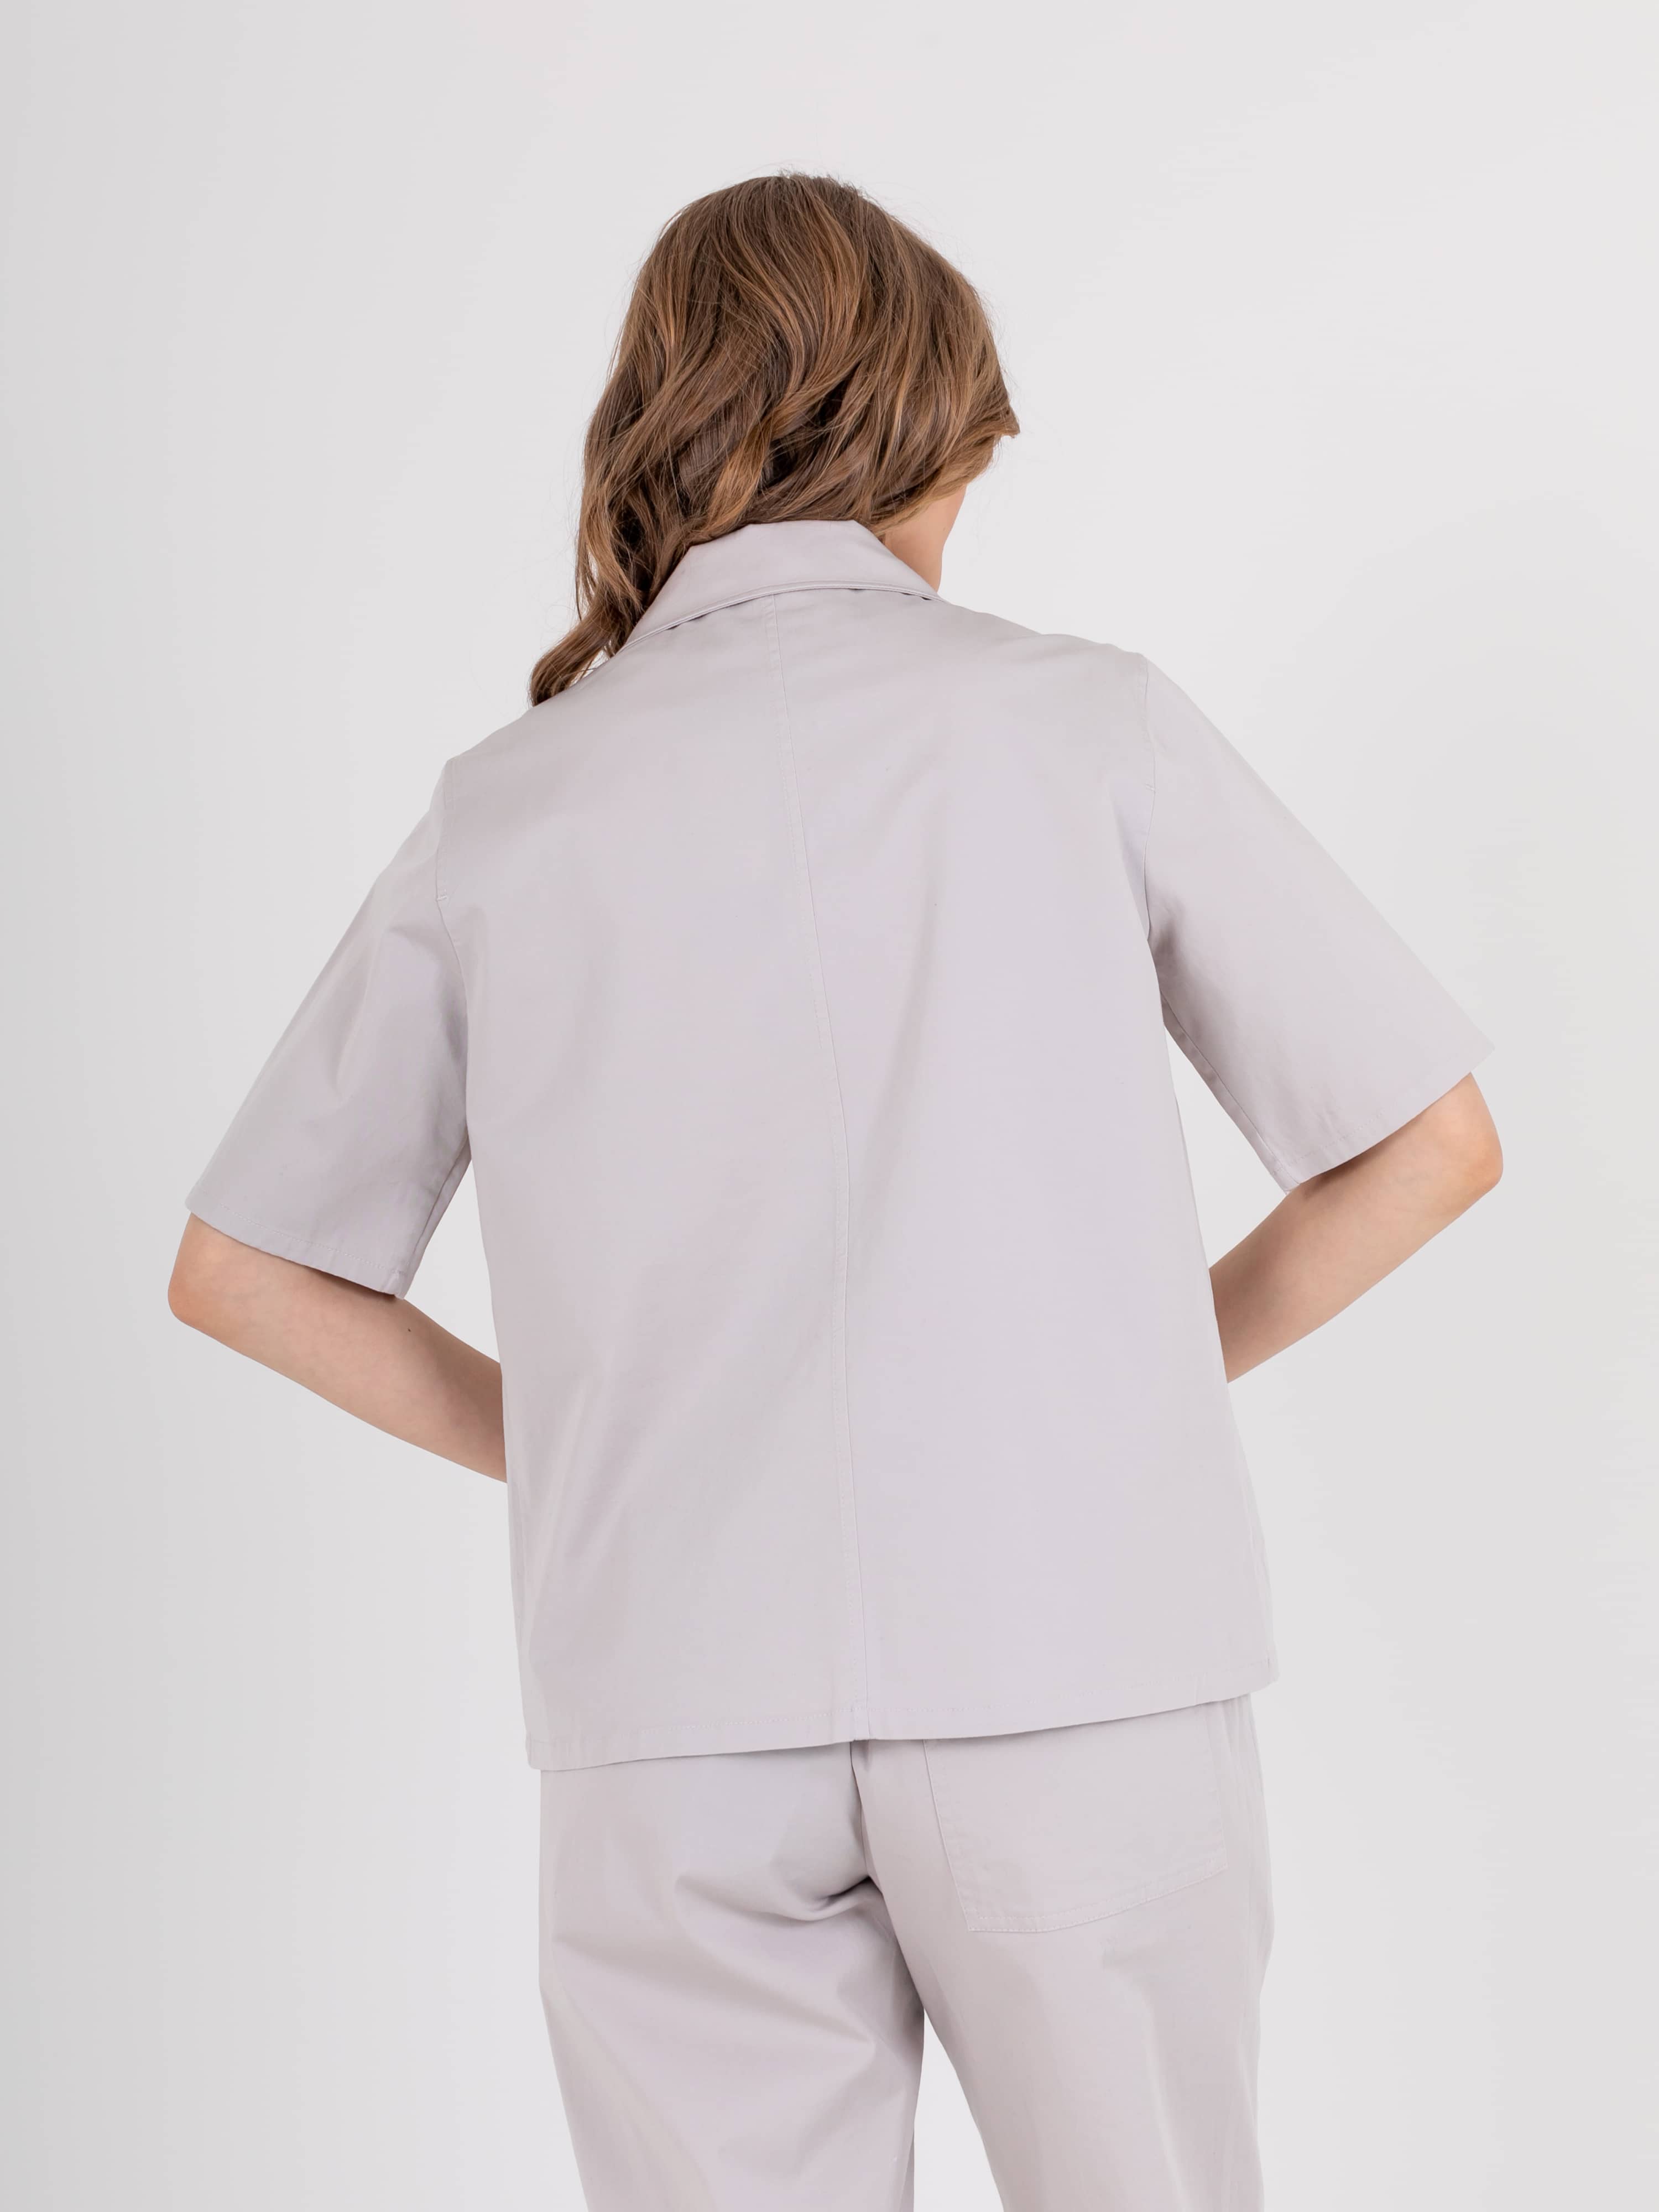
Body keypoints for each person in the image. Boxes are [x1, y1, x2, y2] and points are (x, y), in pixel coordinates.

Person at [169, 173, 1500, 2210]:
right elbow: (1426, 1141)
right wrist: (1132, 1377)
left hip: (668, 1701)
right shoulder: (1084, 725)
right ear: (925, 427)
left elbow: (246, 1267)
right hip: (1077, 1662)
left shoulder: (509, 807)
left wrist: (605, 1441)